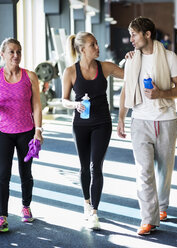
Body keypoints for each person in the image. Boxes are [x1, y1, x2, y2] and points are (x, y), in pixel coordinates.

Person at [117, 16, 177, 235]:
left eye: (134, 34)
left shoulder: (169, 58)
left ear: (147, 34)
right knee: (144, 172)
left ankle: (162, 206)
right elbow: (126, 91)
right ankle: (148, 218)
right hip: (140, 121)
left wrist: (161, 94)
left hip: (166, 120)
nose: (131, 40)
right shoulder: (131, 59)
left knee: (164, 171)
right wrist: (121, 118)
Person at [62, 32, 124, 230]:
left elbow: (129, 75)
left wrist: (134, 58)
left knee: (95, 166)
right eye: (93, 45)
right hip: (80, 124)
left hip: (102, 123)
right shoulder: (70, 72)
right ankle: (87, 203)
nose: (98, 47)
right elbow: (64, 100)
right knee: (83, 167)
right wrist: (75, 104)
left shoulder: (104, 66)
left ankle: (94, 212)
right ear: (82, 50)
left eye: (96, 44)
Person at [0, 38, 43, 233]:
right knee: (3, 175)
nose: (16, 55)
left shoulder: (30, 76)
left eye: (18, 51)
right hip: (3, 132)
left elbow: (36, 104)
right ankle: (2, 217)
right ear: (2, 54)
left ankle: (26, 206)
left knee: (25, 173)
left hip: (26, 131)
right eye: (11, 52)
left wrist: (38, 130)